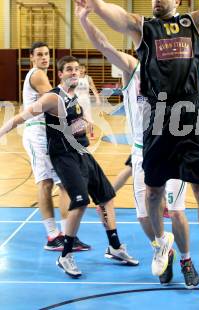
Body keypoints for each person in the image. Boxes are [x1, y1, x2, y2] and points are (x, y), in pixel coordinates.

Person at [69, 0, 199, 300]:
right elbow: (100, 8)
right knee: (152, 193)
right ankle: (162, 244)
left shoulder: (194, 23)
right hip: (158, 118)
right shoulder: (141, 27)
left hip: (191, 114)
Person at [75, 0, 199, 288]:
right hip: (143, 151)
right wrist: (84, 19)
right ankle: (162, 248)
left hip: (173, 149)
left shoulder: (175, 69)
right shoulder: (134, 67)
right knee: (144, 215)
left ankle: (186, 259)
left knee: (177, 211)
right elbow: (104, 45)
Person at [0, 55, 139, 278]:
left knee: (106, 197)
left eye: (77, 69)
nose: (74, 72)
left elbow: (75, 118)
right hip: (64, 157)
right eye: (69, 70)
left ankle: (114, 247)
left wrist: (86, 124)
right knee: (81, 201)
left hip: (82, 153)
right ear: (61, 74)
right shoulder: (52, 98)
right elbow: (19, 118)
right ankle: (65, 255)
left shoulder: (74, 96)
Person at [22, 41, 89, 252]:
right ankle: (53, 235)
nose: (44, 58)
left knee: (63, 184)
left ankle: (68, 234)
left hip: (50, 133)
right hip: (36, 133)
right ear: (31, 58)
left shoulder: (44, 75)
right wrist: (80, 119)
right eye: (39, 54)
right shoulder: (37, 74)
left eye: (46, 54)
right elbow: (58, 99)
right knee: (46, 182)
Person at [75, 63, 101, 138]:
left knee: (88, 117)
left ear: (85, 69)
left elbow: (94, 89)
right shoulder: (74, 78)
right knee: (77, 118)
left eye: (83, 68)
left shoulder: (88, 78)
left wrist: (98, 99)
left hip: (86, 100)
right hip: (77, 100)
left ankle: (91, 132)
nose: (81, 70)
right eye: (80, 68)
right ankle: (78, 133)